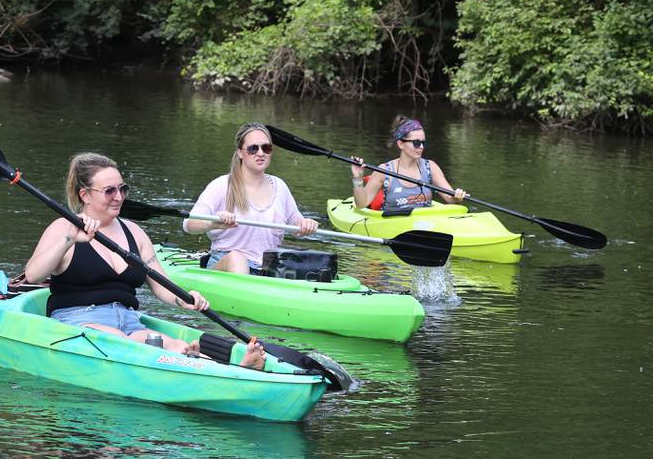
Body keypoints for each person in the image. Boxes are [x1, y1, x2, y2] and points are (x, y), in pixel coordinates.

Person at [24, 152, 265, 369]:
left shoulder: (135, 232)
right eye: (110, 191)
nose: (119, 197)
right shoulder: (63, 227)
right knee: (123, 344)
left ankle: (235, 370)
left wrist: (184, 300)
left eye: (122, 189)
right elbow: (33, 275)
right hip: (78, 320)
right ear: (85, 195)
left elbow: (161, 283)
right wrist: (69, 239)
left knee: (174, 345)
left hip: (128, 321)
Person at [183, 122, 319, 274]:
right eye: (253, 148)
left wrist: (306, 224)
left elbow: (297, 227)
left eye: (266, 148)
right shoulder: (221, 185)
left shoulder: (280, 186)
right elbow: (189, 224)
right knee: (237, 258)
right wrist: (212, 222)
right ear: (240, 152)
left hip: (268, 269)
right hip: (227, 265)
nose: (260, 153)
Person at [350, 115, 467, 212]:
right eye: (416, 143)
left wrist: (457, 196)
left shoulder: (430, 167)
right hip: (392, 225)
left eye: (423, 143)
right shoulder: (384, 171)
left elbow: (450, 199)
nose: (421, 147)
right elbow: (361, 204)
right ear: (400, 144)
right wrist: (358, 178)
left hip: (425, 225)